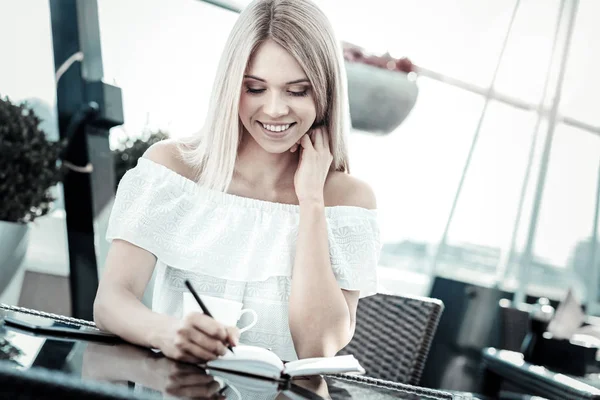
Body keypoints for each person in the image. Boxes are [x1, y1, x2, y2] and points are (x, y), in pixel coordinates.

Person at [94, 0, 381, 363]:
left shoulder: (350, 201)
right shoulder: (172, 169)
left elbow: (317, 346)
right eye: (256, 88)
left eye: (297, 91)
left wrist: (311, 201)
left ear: (325, 94)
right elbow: (110, 302)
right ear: (231, 86)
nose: (275, 109)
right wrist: (167, 333)